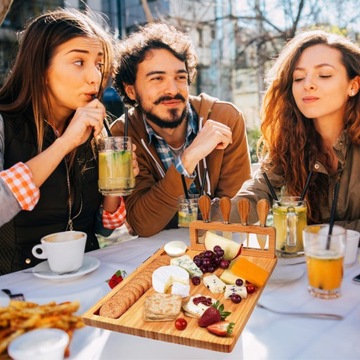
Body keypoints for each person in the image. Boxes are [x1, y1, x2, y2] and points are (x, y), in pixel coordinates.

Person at [0, 8, 139, 274]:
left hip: (88, 278)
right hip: (18, 290)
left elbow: (103, 229)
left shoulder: (95, 129)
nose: (94, 77)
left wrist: (114, 188)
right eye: (79, 62)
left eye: (98, 64)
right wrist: (64, 144)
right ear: (40, 68)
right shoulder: (5, 123)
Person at [111, 21, 251, 237]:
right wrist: (186, 162)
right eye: (157, 78)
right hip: (157, 255)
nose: (172, 89)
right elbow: (142, 224)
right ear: (131, 91)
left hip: (221, 247)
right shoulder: (123, 135)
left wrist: (168, 211)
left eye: (180, 77)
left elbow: (238, 211)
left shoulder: (225, 119)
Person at [226, 30, 360, 231]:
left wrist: (319, 232)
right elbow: (256, 194)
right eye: (298, 78)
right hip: (312, 261)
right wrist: (209, 214)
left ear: (354, 85)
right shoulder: (290, 142)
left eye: (324, 75)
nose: (308, 85)